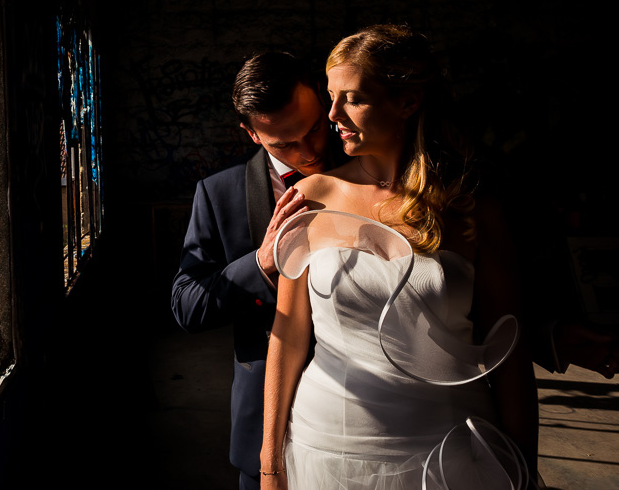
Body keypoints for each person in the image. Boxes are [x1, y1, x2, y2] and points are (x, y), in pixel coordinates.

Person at [260, 25, 538, 489]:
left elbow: (510, 353)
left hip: (446, 449)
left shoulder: (469, 205)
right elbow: (287, 337)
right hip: (327, 445)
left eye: (352, 98)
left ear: (407, 102)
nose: (332, 114)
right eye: (331, 96)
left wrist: (523, 466)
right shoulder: (311, 198)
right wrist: (270, 462)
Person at [172, 51, 341, 490]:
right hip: (264, 422)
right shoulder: (217, 194)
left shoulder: (373, 169)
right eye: (284, 144)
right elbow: (186, 306)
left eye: (316, 128)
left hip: (362, 411)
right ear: (251, 133)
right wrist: (261, 265)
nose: (309, 152)